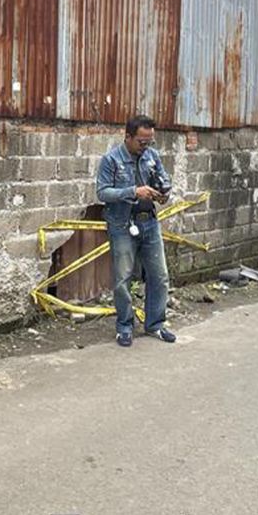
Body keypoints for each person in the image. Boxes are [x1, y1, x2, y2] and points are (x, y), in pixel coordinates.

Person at [95, 114, 175, 347]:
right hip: (121, 225)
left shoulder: (152, 156)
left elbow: (164, 180)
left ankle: (155, 324)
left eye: (149, 141)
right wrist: (133, 191)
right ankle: (124, 327)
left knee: (159, 275)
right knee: (123, 278)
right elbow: (102, 192)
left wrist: (163, 194)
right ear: (128, 137)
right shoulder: (111, 159)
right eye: (141, 142)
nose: (145, 146)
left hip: (149, 222)